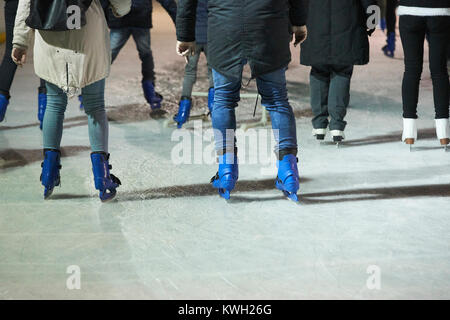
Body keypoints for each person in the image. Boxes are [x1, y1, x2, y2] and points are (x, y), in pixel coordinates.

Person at [176, 0, 308, 201]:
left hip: (224, 27)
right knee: (277, 100)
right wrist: (298, 22)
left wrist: (185, 35)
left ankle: (226, 168)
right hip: (269, 23)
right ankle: (288, 170)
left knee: (223, 100)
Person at [12, 0, 131, 201]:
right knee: (95, 106)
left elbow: (26, 2)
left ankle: (49, 173)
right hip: (87, 31)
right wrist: (121, 8)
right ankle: (102, 177)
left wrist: (20, 41)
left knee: (54, 103)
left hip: (49, 29)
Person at [300, 0, 377, 143]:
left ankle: (319, 124)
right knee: (342, 72)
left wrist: (294, 22)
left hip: (316, 25)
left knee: (318, 71)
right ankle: (336, 125)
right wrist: (372, 22)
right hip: (347, 24)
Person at [100, 0, 177, 111]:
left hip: (121, 19)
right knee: (145, 55)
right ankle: (149, 91)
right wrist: (178, 20)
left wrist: (103, 18)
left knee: (108, 56)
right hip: (140, 18)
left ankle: (91, 91)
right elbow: (167, 2)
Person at [398, 0, 450, 147]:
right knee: (440, 70)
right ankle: (443, 131)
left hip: (410, 9)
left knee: (411, 70)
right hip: (440, 11)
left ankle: (409, 131)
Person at [0, 0, 46, 129]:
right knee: (46, 53)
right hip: (45, 5)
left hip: (14, 3)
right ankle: (46, 117)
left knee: (11, 52)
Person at [173, 0, 213, 129]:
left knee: (190, 71)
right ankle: (215, 108)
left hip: (193, 37)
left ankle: (183, 112)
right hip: (210, 36)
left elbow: (185, 11)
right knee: (213, 71)